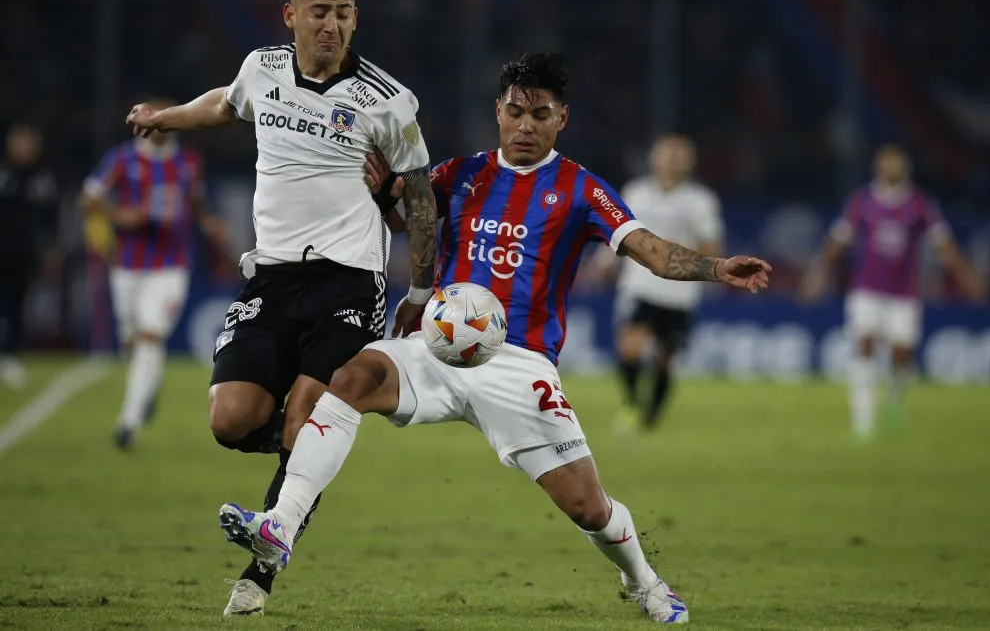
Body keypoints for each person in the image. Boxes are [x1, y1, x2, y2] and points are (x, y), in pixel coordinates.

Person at [218, 53, 771, 624]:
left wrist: (715, 266)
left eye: (540, 114)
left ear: (562, 119)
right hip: (437, 345)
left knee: (588, 507)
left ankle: (644, 581)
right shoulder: (459, 174)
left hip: (518, 364)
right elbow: (405, 216)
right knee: (353, 376)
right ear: (498, 113)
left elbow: (651, 252)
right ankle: (280, 526)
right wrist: (386, 197)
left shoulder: (581, 188)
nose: (525, 125)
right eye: (515, 112)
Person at [124, 0, 438, 617]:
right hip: (270, 274)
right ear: (291, 15)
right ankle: (313, 442)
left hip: (350, 282)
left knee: (304, 415)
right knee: (230, 419)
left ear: (356, 20)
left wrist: (417, 292)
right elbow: (226, 106)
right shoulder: (261, 69)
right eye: (319, 12)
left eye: (343, 14)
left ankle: (260, 570)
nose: (331, 25)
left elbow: (420, 199)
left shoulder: (388, 101)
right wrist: (170, 116)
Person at [798, 143, 984, 439]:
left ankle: (895, 399)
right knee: (865, 344)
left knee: (901, 354)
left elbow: (943, 245)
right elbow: (838, 241)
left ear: (905, 168)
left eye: (896, 163)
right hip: (866, 290)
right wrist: (818, 272)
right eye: (886, 163)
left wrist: (965, 275)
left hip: (903, 294)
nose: (891, 168)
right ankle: (863, 421)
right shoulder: (862, 201)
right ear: (878, 167)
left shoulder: (920, 204)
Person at [81, 105, 228, 447]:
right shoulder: (122, 159)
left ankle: (127, 423)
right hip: (128, 264)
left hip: (171, 266)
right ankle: (149, 385)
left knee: (150, 337)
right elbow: (88, 200)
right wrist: (121, 215)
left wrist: (208, 223)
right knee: (133, 343)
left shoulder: (188, 162)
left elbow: (194, 203)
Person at [590, 135, 722, 430]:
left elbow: (711, 247)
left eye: (679, 156)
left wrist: (677, 254)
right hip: (640, 286)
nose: (672, 161)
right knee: (629, 348)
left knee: (665, 360)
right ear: (654, 158)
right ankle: (633, 404)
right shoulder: (636, 193)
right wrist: (602, 264)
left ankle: (651, 415)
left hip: (680, 293)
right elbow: (617, 232)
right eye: (666, 155)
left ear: (689, 162)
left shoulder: (700, 201)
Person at [0, 122, 61, 388]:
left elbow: (51, 218)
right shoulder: (3, 175)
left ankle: (10, 355)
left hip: (23, 253)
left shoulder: (43, 179)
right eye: (19, 143)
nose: (24, 149)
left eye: (29, 144)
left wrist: (51, 248)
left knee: (16, 305)